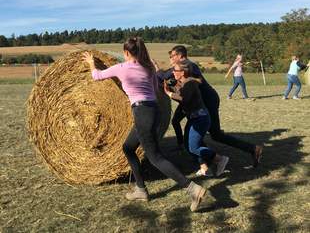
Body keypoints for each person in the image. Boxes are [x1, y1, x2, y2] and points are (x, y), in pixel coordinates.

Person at [83, 38, 206, 212]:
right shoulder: (148, 68)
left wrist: (90, 63)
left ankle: (192, 188)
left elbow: (96, 76)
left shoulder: (122, 68)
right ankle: (141, 189)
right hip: (153, 111)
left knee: (156, 158)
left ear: (126, 53)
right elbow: (153, 85)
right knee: (128, 147)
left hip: (142, 113)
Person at [155, 45, 263, 168]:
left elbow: (163, 76)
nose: (170, 58)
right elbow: (168, 79)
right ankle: (199, 157)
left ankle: (251, 149)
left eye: (172, 56)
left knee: (215, 134)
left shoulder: (188, 65)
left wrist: (156, 70)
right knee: (181, 124)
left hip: (206, 101)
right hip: (192, 102)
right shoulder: (180, 68)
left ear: (180, 56)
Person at [164, 59, 229, 177]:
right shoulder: (184, 82)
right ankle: (205, 168)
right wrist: (170, 89)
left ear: (182, 72)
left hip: (200, 119)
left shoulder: (189, 83)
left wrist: (169, 93)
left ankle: (220, 159)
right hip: (194, 119)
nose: (173, 72)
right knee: (188, 145)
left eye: (175, 70)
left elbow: (184, 99)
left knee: (194, 147)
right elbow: (182, 98)